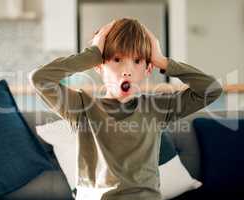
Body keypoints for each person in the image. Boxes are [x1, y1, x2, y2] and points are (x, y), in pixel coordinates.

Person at [28, 18, 223, 200]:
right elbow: (40, 79)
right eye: (117, 59)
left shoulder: (159, 108)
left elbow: (211, 90)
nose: (127, 70)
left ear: (148, 69)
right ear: (99, 66)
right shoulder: (81, 107)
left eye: (137, 61)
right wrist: (92, 54)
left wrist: (163, 61)